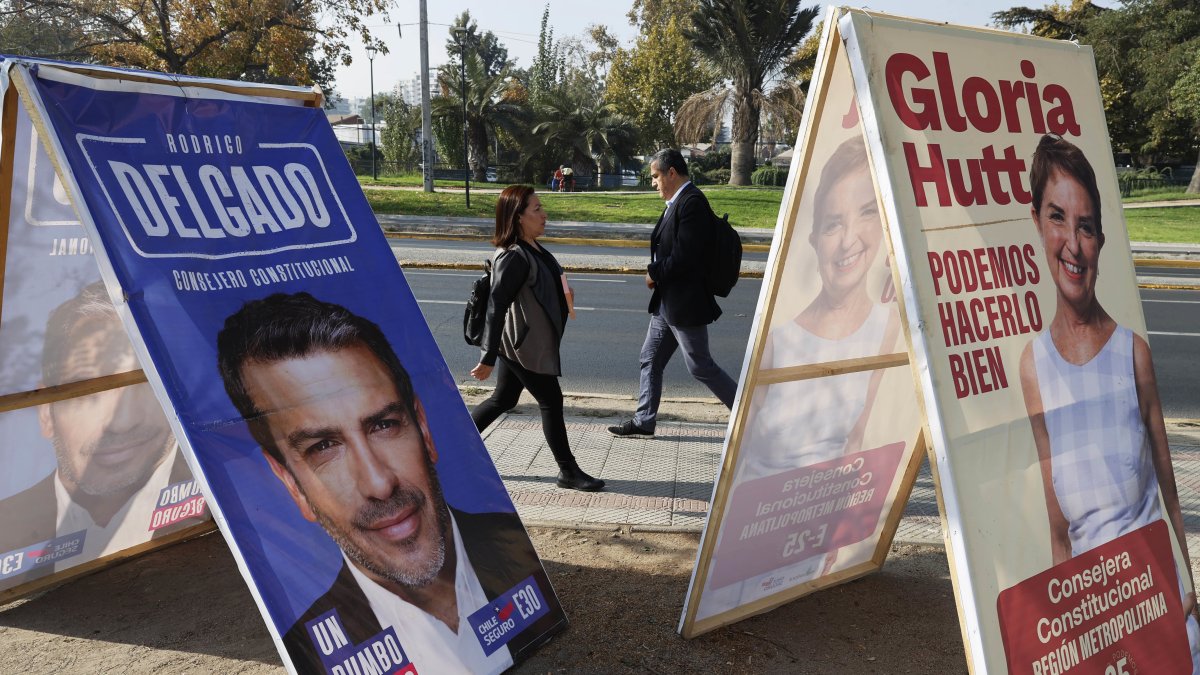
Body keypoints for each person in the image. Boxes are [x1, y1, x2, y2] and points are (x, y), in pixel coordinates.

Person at [217, 292, 564, 674]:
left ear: (423, 428)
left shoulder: (521, 560)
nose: (380, 484)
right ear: (292, 483)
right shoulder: (314, 653)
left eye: (383, 425)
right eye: (324, 447)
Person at [1018, 134, 1199, 667]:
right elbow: (1059, 529)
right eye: (1057, 217)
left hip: (1156, 605)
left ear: (1101, 240)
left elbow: (1169, 485)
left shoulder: (1132, 354)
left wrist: (1188, 587)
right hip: (1093, 622)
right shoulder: (1033, 368)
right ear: (1036, 222)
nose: (1073, 243)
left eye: (1087, 226)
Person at [0, 282, 203, 589]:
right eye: (86, 392)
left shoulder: (221, 494)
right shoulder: (7, 531)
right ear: (45, 411)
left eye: (143, 384)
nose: (121, 424)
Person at [739, 136, 899, 479]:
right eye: (833, 223)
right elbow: (738, 454)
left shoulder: (887, 326)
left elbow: (856, 442)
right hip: (758, 513)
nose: (848, 240)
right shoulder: (777, 341)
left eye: (867, 213)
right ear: (814, 241)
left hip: (822, 509)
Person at [470, 185, 603, 492]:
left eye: (542, 208)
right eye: (537, 210)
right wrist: (488, 356)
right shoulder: (514, 256)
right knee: (551, 400)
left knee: (503, 399)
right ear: (518, 217)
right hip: (522, 346)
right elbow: (496, 306)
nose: (544, 215)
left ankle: (450, 450)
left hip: (528, 342)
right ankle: (568, 471)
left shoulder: (533, 248)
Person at [608, 148, 737, 438]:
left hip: (685, 302)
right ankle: (644, 421)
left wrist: (654, 273)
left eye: (655, 176)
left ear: (672, 173)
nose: (653, 182)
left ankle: (748, 413)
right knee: (650, 358)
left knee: (700, 366)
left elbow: (685, 257)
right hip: (668, 302)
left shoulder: (692, 203)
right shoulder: (678, 203)